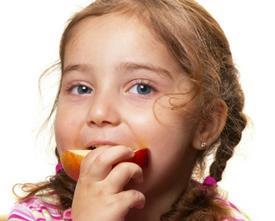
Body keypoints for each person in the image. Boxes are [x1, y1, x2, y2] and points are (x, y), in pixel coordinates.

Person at [8, 0, 250, 220]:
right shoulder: (33, 214)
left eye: (142, 88)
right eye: (82, 88)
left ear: (205, 124)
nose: (99, 113)